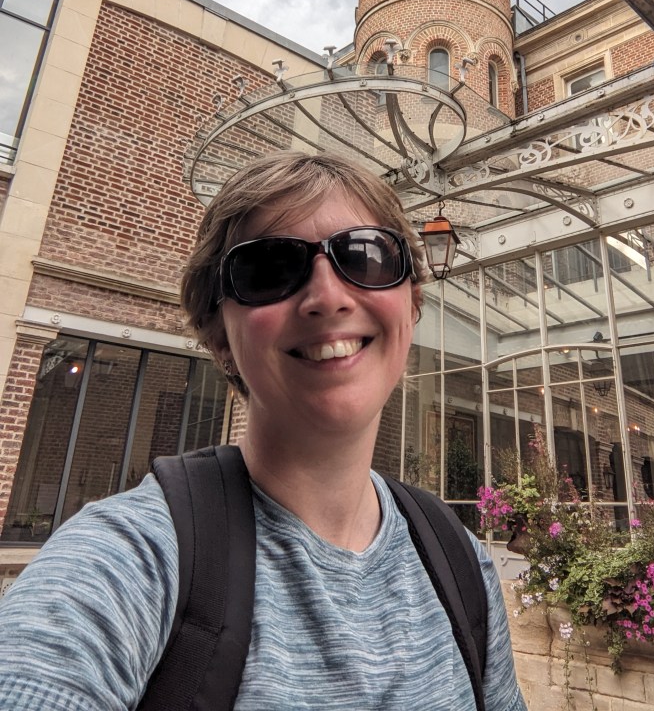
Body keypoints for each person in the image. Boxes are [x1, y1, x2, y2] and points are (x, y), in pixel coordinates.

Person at [0, 151, 527, 711]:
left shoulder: (460, 561)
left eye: (367, 257)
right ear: (220, 335)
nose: (328, 298)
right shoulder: (126, 561)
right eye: (270, 269)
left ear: (411, 302)